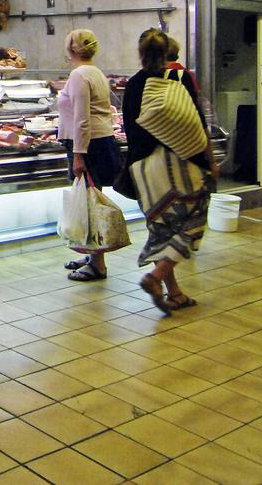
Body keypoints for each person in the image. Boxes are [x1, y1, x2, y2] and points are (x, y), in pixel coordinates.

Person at [122, 28, 219, 314]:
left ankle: (173, 292)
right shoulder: (178, 78)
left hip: (141, 169)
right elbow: (198, 124)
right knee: (195, 220)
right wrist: (210, 161)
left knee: (160, 229)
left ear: (141, 54)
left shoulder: (134, 84)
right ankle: (156, 276)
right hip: (179, 165)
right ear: (168, 53)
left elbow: (130, 129)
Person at [57, 30, 122, 282]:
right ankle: (91, 253)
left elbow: (82, 119)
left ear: (70, 50)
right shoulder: (95, 72)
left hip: (88, 145)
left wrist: (78, 156)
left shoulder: (79, 74)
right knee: (91, 202)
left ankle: (98, 264)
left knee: (89, 205)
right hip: (99, 141)